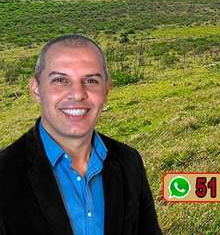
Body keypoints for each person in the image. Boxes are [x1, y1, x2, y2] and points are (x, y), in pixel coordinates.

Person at [0, 34, 162, 235]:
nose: (77, 94)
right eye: (60, 80)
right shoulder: (4, 173)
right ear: (36, 90)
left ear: (106, 90)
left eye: (91, 80)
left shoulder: (129, 160)